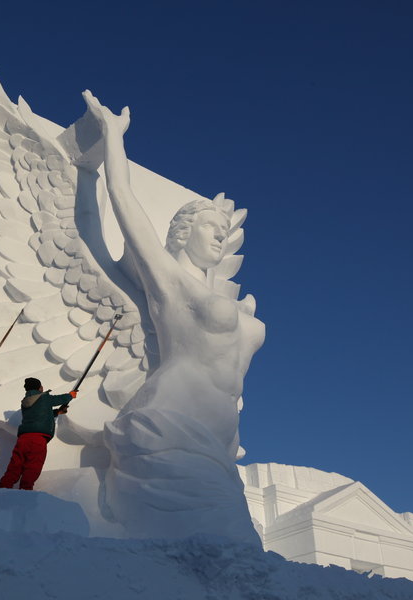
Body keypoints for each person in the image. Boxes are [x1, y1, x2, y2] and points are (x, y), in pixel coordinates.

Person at [81, 91, 266, 543]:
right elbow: (123, 200)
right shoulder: (169, 281)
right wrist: (112, 136)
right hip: (172, 423)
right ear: (183, 231)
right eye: (211, 228)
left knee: (231, 560)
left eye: (225, 233)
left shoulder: (226, 300)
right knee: (209, 555)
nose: (221, 238)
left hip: (219, 439)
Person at [0, 378, 77, 490]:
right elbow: (58, 399)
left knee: (16, 464)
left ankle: (3, 488)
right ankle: (25, 490)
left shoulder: (25, 401)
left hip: (23, 438)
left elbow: (38, 414)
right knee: (33, 465)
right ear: (40, 387)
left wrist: (57, 412)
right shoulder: (44, 397)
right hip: (38, 439)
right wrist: (70, 395)